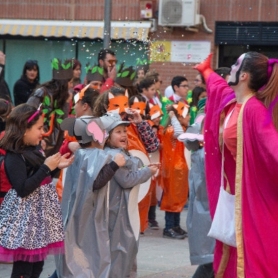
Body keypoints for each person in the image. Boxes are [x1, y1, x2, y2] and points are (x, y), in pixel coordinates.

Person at [194, 52, 278, 277]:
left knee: (254, 260)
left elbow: (273, 149)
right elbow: (218, 87)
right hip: (233, 196)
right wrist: (206, 71)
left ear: (244, 76)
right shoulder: (232, 100)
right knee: (229, 256)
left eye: (235, 65)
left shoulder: (254, 110)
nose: (231, 68)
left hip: (253, 199)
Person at [0, 104, 74, 278]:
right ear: (24, 129)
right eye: (39, 128)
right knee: (24, 269)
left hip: (39, 217)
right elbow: (23, 188)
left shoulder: (33, 149)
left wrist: (55, 167)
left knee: (37, 266)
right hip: (25, 219)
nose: (43, 132)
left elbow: (41, 176)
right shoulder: (14, 156)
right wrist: (46, 168)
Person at [54, 114, 126, 278]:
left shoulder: (80, 153)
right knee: (90, 252)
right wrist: (115, 165)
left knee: (74, 250)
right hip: (90, 214)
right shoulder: (97, 156)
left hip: (75, 211)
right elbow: (96, 182)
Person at [104, 113, 158, 277]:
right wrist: (147, 172)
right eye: (118, 131)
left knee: (128, 252)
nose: (123, 135)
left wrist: (144, 170)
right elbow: (126, 180)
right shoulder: (114, 156)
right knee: (121, 253)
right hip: (118, 211)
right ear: (107, 136)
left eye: (125, 131)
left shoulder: (121, 152)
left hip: (125, 210)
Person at [27, 58, 73, 157]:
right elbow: (26, 114)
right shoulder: (42, 93)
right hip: (37, 143)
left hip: (53, 146)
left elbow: (61, 125)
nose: (72, 85)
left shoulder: (62, 97)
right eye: (70, 82)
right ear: (64, 83)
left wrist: (66, 103)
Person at [159, 102, 190, 239]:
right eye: (187, 114)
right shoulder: (173, 130)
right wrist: (173, 116)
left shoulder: (182, 128)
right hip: (172, 170)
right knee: (171, 198)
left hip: (179, 170)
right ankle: (169, 227)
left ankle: (176, 226)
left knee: (178, 197)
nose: (189, 116)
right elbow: (179, 134)